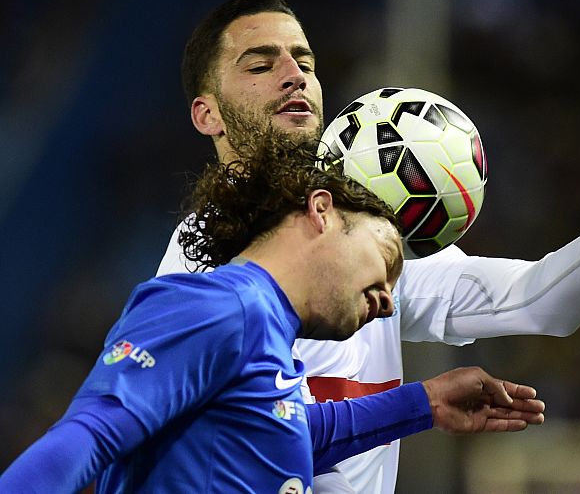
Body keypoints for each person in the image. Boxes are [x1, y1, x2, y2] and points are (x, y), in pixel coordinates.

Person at [157, 0, 580, 493]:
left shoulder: (364, 242)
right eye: (261, 64)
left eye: (304, 61)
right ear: (207, 115)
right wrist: (419, 404)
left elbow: (542, 301)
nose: (294, 74)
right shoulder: (203, 257)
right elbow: (243, 441)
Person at [0, 133, 546, 493]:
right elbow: (89, 435)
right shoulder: (215, 307)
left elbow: (288, 430)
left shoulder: (264, 332)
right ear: (322, 212)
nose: (387, 300)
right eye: (386, 263)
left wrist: (423, 402)